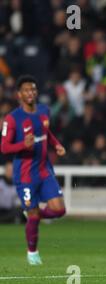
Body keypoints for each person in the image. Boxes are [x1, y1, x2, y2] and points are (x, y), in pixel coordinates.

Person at [0, 75, 67, 265]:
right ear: (19, 94)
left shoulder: (44, 111)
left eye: (33, 89)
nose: (31, 93)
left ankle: (31, 214)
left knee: (59, 210)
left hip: (44, 170)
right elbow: (4, 147)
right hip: (25, 174)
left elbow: (47, 133)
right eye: (26, 90)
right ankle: (32, 252)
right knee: (34, 214)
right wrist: (22, 144)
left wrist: (57, 145)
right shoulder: (12, 119)